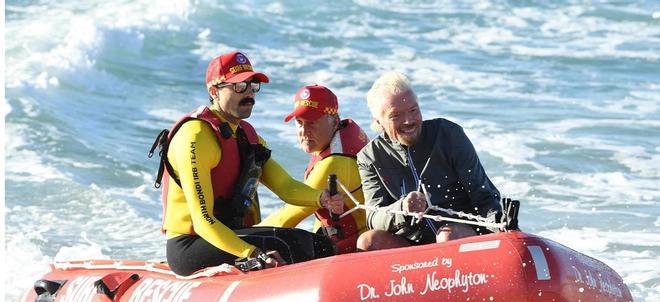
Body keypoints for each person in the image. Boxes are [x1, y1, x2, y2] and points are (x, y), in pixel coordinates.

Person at [150, 51, 343, 275]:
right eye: (239, 86)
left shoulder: (246, 137)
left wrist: (322, 198)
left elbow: (286, 187)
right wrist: (251, 253)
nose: (250, 93)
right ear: (214, 91)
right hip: (190, 246)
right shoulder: (196, 136)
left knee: (318, 244)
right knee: (289, 244)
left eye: (252, 85)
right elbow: (202, 221)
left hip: (230, 237)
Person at [356, 72, 501, 250]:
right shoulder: (370, 157)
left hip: (459, 235)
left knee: (446, 236)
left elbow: (484, 195)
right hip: (413, 246)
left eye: (413, 110)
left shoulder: (448, 134)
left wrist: (501, 226)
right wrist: (403, 208)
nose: (409, 121)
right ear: (378, 121)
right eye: (396, 116)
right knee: (368, 241)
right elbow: (373, 217)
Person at [259, 85, 369, 253]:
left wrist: (240, 238)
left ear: (333, 120)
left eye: (312, 123)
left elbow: (287, 218)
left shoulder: (334, 163)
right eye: (299, 122)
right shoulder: (339, 139)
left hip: (357, 252)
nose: (304, 131)